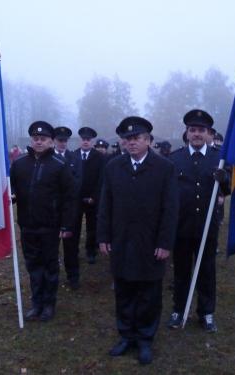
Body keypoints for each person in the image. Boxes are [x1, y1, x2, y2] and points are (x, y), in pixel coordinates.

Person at [97, 116, 178, 365]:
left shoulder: (164, 167)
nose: (131, 143)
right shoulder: (113, 167)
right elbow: (105, 204)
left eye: (137, 138)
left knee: (148, 294)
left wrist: (165, 243)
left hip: (150, 242)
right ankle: (126, 336)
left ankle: (144, 339)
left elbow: (170, 208)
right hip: (121, 241)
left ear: (148, 140)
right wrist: (103, 237)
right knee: (123, 291)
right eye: (127, 139)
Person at [167, 109, 230, 333]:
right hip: (182, 226)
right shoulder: (174, 159)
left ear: (209, 133)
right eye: (192, 130)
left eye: (201, 130)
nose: (196, 134)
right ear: (186, 133)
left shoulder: (219, 159)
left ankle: (206, 313)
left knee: (206, 271)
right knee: (181, 271)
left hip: (207, 227)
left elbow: (228, 189)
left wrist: (224, 180)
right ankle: (179, 310)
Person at [10, 121, 76, 322]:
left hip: (50, 226)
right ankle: (36, 303)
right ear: (31, 140)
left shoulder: (59, 165)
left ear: (51, 141)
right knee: (33, 266)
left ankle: (49, 304)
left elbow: (69, 197)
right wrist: (10, 197)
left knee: (49, 267)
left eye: (43, 139)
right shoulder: (20, 164)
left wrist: (66, 225)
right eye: (36, 138)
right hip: (27, 225)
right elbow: (12, 190)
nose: (39, 142)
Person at [53, 126, 82, 290]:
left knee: (71, 246)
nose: (62, 143)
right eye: (59, 140)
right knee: (52, 247)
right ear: (54, 141)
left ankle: (73, 277)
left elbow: (78, 182)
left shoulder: (74, 158)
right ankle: (53, 275)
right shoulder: (48, 158)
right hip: (53, 210)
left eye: (65, 141)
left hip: (71, 209)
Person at [74, 127, 105, 264]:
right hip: (76, 199)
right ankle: (73, 250)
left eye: (88, 140)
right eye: (83, 139)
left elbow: (101, 179)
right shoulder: (73, 155)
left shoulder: (99, 157)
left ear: (92, 141)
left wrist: (94, 196)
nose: (85, 142)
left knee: (92, 227)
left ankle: (91, 250)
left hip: (93, 199)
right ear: (80, 140)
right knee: (75, 226)